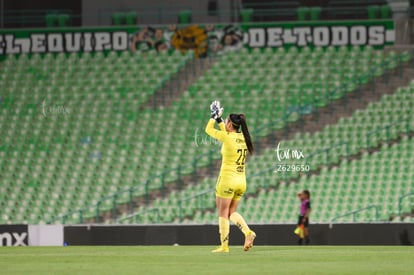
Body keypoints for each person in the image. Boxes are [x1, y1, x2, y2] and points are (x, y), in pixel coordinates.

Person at [205, 100, 256, 253]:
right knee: (231, 212)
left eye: (226, 121)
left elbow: (208, 130)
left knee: (222, 213)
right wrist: (221, 120)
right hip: (241, 181)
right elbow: (228, 133)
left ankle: (224, 246)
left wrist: (213, 117)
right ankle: (248, 232)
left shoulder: (227, 137)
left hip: (227, 180)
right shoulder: (243, 138)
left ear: (229, 125)